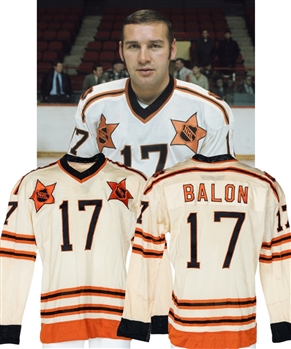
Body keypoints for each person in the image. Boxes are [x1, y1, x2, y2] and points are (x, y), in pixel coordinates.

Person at [68, 8, 235, 347]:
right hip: (114, 248)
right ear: (120, 51)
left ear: (174, 50)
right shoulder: (95, 103)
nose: (144, 57)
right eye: (133, 47)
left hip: (185, 250)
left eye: (155, 46)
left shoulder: (210, 109)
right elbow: (77, 180)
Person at [117, 153, 291, 349]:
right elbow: (277, 259)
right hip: (238, 323)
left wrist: (136, 319)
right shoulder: (264, 186)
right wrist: (284, 321)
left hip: (189, 323)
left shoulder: (163, 184)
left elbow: (147, 254)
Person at [0, 152, 146, 348]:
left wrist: (6, 323)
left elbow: (150, 251)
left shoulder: (134, 183)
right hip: (67, 309)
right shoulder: (31, 184)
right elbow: (14, 254)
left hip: (110, 311)